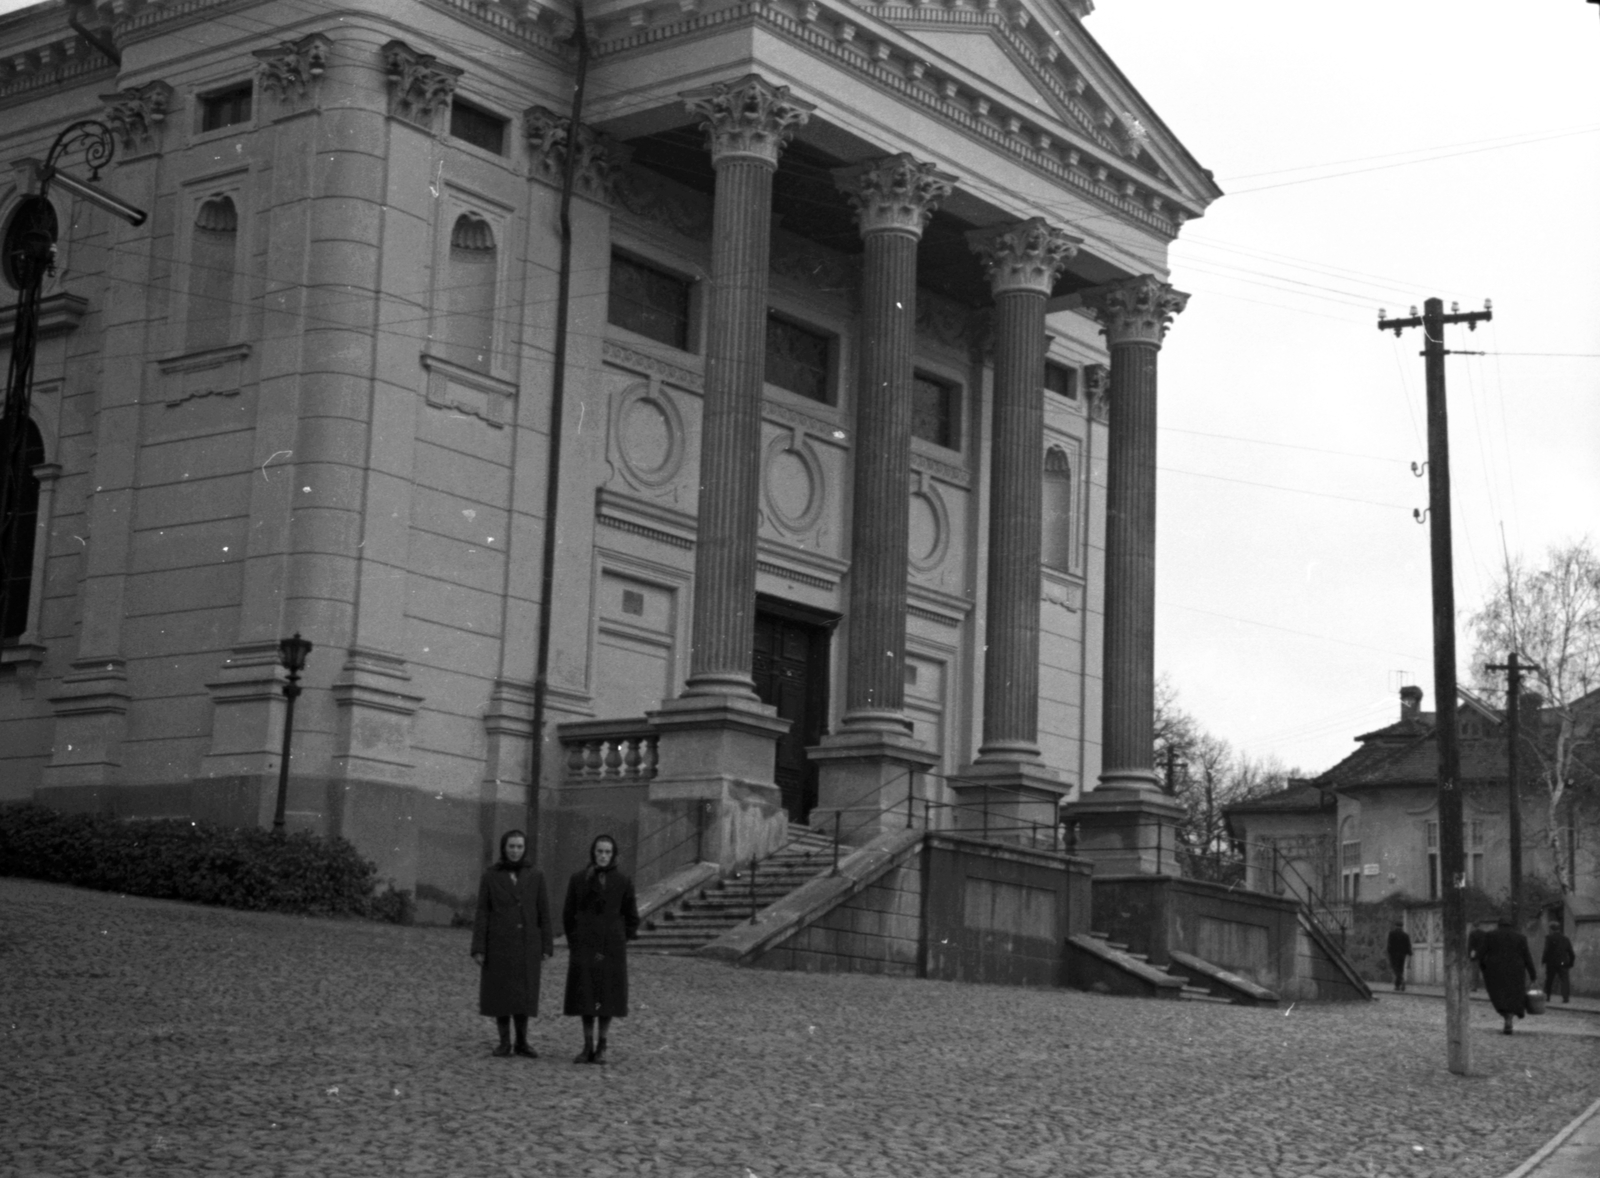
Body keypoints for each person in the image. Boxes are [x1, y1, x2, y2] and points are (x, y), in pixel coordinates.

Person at [470, 830, 554, 1058]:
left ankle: (522, 1042)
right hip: (499, 943)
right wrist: (479, 947)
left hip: (527, 944)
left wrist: (547, 945)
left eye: (519, 846)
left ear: (524, 849)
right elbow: (482, 913)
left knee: (523, 994)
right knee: (501, 993)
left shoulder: (535, 875)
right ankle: (504, 1042)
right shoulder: (490, 876)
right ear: (503, 848)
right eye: (511, 846)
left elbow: (543, 912)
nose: (515, 851)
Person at [563, 833, 639, 1064]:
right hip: (585, 946)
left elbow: (632, 916)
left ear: (613, 855)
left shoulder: (623, 881)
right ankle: (587, 1046)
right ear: (593, 853)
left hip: (611, 948)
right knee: (587, 995)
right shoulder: (579, 879)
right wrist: (575, 941)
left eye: (607, 852)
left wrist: (619, 938)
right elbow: (568, 914)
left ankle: (603, 1045)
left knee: (607, 997)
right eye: (599, 851)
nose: (603, 856)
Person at [1478, 915, 1538, 1034]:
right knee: (1513, 995)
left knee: (1498, 995)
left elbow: (1481, 954)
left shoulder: (1490, 935)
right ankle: (1509, 1018)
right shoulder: (1520, 937)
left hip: (1495, 970)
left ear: (1499, 925)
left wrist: (1484, 968)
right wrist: (1533, 974)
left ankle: (1506, 1017)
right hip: (1515, 971)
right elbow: (1527, 957)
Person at [1542, 921, 1577, 1005]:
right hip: (1563, 963)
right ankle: (1566, 998)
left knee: (1549, 980)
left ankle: (1548, 996)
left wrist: (1543, 961)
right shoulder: (1565, 939)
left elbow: (1546, 951)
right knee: (1564, 980)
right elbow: (1571, 953)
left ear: (1551, 929)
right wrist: (1571, 963)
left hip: (1551, 963)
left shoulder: (1549, 938)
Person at [1386, 920, 1413, 992]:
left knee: (1395, 969)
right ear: (1402, 927)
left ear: (1395, 926)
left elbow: (1389, 944)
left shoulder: (1392, 934)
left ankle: (1401, 980)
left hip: (1394, 954)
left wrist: (1388, 952)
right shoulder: (1405, 935)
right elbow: (1408, 945)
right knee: (1400, 969)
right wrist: (1409, 954)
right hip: (1402, 955)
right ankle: (1397, 985)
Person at [1467, 922, 1489, 993]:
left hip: (1475, 955)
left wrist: (1469, 955)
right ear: (1479, 926)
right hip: (1483, 955)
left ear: (1473, 926)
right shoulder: (1484, 933)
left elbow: (1470, 945)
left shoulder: (1472, 934)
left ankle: (1474, 987)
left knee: (1475, 972)